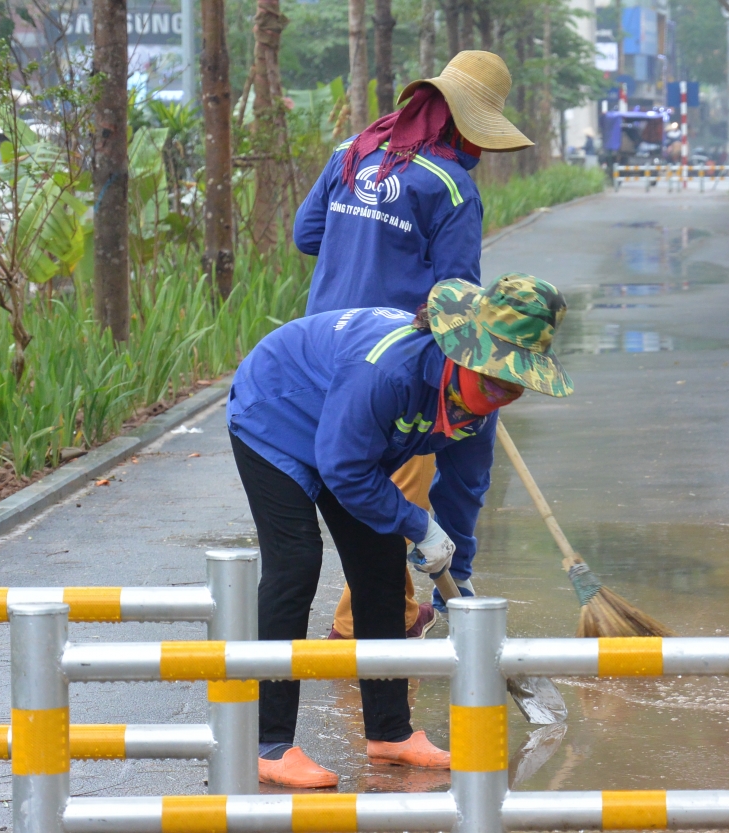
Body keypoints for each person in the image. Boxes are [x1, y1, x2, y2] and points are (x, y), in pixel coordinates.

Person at [227, 275, 573, 788]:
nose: (503, 390)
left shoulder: (479, 413)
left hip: (348, 439)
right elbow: (345, 469)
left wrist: (456, 574)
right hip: (277, 411)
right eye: (493, 376)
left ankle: (390, 733)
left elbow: (464, 490)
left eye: (514, 383)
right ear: (463, 352)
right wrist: (416, 522)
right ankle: (268, 742)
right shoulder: (388, 372)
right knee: (296, 561)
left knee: (382, 568)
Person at [292, 51, 534, 642]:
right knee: (397, 480)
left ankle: (399, 613)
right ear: (469, 122)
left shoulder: (350, 151)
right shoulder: (451, 187)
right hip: (397, 360)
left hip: (320, 345)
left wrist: (364, 239)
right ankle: (361, 628)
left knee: (357, 473)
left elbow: (306, 235)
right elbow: (457, 298)